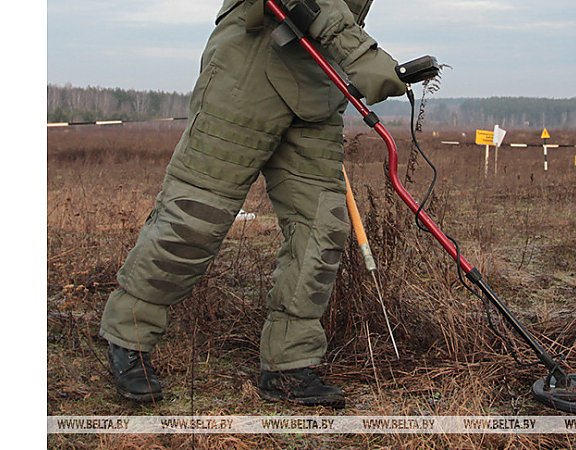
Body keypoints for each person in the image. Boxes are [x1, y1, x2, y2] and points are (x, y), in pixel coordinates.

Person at [99, 0, 407, 407]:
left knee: (321, 227)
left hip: (315, 86)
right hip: (246, 73)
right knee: (196, 215)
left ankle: (289, 361)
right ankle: (129, 337)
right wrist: (361, 53)